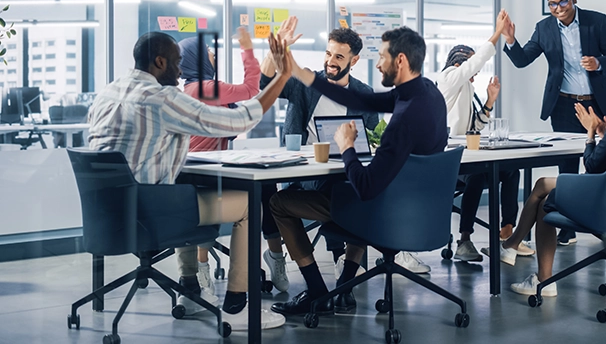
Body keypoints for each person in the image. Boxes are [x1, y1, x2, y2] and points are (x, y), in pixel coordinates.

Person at [87, 31, 292, 329]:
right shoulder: (162, 98)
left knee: (183, 188)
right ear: (160, 62)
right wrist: (282, 76)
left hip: (107, 213)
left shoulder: (107, 93)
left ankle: (192, 290)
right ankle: (237, 305)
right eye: (177, 62)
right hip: (150, 214)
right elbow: (241, 120)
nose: (181, 70)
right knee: (248, 204)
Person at [269, 27, 447, 317]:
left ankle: (317, 292)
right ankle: (345, 285)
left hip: (383, 211)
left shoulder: (403, 121)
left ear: (399, 60)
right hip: (419, 210)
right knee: (345, 191)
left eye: (382, 57)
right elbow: (361, 102)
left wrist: (347, 146)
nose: (377, 64)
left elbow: (366, 187)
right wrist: (300, 73)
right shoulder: (425, 93)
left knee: (279, 203)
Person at [498, 57, 606, 297]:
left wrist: (590, 133)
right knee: (545, 189)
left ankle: (542, 279)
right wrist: (605, 133)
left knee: (545, 202)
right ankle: (513, 247)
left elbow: (591, 165)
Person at [259, 19, 393, 273]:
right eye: (329, 53)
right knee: (346, 193)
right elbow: (265, 83)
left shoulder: (363, 93)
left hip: (343, 173)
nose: (331, 61)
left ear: (353, 61)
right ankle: (327, 266)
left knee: (359, 191)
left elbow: (374, 141)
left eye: (339, 57)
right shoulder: (305, 83)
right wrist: (277, 48)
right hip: (305, 173)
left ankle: (346, 272)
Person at [501, 0, 606, 246]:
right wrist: (510, 40)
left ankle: (600, 219)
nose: (558, 8)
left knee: (600, 162)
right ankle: (568, 225)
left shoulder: (596, 21)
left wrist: (598, 62)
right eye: (552, 4)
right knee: (567, 165)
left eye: (563, 1)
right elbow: (522, 60)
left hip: (596, 103)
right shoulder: (544, 28)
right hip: (565, 104)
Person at [178, 27, 289, 296]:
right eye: (209, 52)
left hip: (201, 172)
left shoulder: (191, 89)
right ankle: (245, 283)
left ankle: (199, 271)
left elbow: (228, 128)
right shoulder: (207, 88)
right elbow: (252, 88)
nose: (214, 55)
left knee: (263, 191)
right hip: (209, 174)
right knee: (262, 195)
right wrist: (247, 47)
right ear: (197, 59)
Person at [435, 11, 531, 262]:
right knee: (477, 173)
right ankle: (464, 241)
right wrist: (498, 33)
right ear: (459, 64)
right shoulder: (447, 79)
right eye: (470, 69)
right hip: (446, 161)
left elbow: (473, 129)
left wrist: (489, 101)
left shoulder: (465, 86)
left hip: (466, 156)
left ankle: (507, 233)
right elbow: (473, 63)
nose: (475, 75)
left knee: (511, 170)